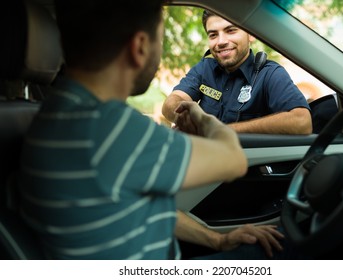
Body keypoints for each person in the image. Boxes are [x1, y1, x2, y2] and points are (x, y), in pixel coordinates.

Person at [18, 0, 290, 260]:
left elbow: (137, 208)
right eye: (160, 40)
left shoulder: (57, 113)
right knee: (289, 250)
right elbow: (233, 159)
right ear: (139, 47)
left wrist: (217, 240)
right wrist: (203, 118)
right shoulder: (113, 128)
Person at [162, 10, 312, 135]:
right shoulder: (204, 68)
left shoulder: (270, 74)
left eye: (231, 30)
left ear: (251, 34)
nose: (221, 41)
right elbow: (171, 102)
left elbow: (302, 121)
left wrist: (220, 131)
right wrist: (187, 119)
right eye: (213, 35)